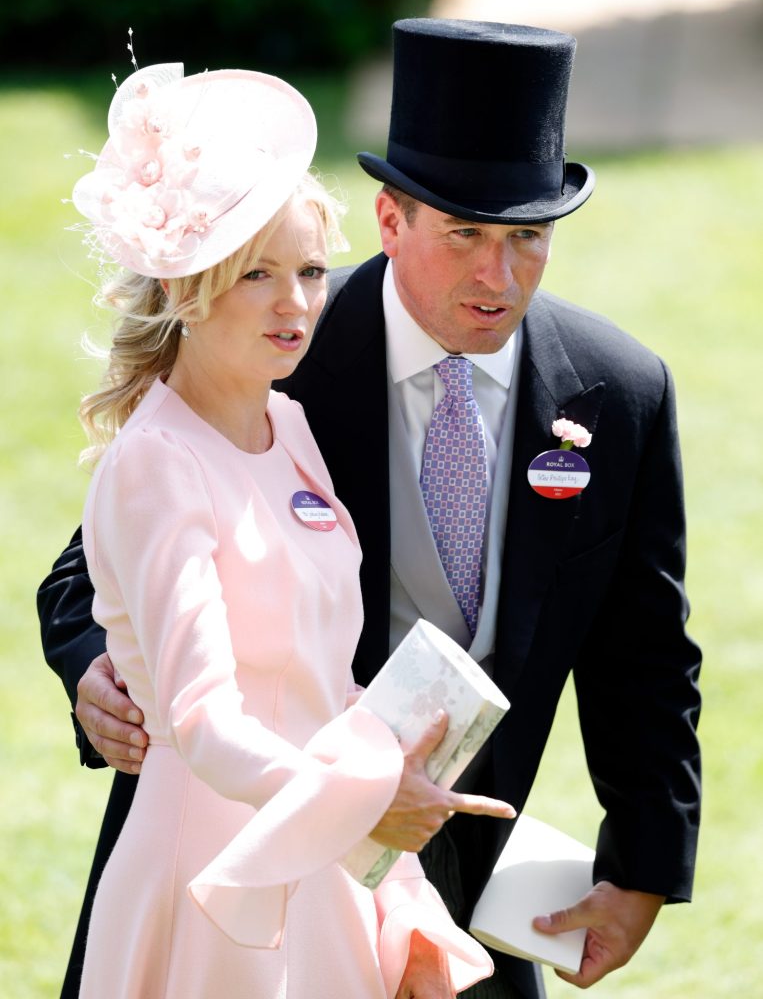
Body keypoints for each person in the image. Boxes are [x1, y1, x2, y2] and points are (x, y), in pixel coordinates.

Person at [39, 20, 702, 999]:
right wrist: (93, 666)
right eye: (464, 235)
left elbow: (645, 657)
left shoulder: (620, 389)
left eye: (528, 238)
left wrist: (642, 864)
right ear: (389, 221)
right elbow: (96, 566)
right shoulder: (272, 349)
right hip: (249, 855)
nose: (497, 275)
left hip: (461, 880)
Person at [44, 59, 517, 999]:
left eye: (307, 270)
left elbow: (325, 683)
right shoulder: (155, 465)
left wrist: (399, 887)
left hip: (323, 860)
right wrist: (368, 804)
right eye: (256, 274)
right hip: (214, 873)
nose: (297, 302)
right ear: (187, 286)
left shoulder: (288, 425)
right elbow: (208, 728)